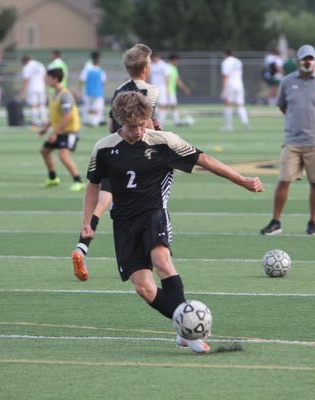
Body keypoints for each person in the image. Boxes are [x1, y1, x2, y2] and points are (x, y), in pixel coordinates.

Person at [79, 91, 264, 353]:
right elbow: (92, 186)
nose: (139, 130)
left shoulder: (165, 142)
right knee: (144, 288)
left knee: (162, 261)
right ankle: (185, 327)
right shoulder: (104, 148)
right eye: (132, 126)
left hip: (154, 214)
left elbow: (206, 161)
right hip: (123, 223)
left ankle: (191, 335)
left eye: (143, 123)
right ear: (119, 121)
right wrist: (87, 222)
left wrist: (242, 181)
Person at [71, 43, 159, 281]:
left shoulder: (120, 89)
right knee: (144, 207)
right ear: (145, 67)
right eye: (150, 62)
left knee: (104, 197)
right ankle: (150, 256)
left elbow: (116, 122)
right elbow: (145, 124)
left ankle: (82, 246)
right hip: (136, 152)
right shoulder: (150, 91)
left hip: (113, 147)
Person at [261, 44, 315, 236]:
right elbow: (283, 107)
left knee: (314, 183)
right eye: (304, 59)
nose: (308, 62)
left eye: (311, 58)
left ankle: (313, 223)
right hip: (292, 140)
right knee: (283, 180)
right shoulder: (287, 81)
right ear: (298, 61)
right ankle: (276, 222)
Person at [39, 68, 84, 192]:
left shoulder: (65, 95)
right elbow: (54, 116)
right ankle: (53, 178)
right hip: (60, 131)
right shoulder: (54, 94)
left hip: (70, 132)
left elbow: (67, 117)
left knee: (63, 156)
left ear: (55, 79)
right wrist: (45, 128)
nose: (46, 80)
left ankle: (78, 181)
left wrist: (54, 133)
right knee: (44, 151)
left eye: (48, 77)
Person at [220, 49, 250, 132]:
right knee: (240, 104)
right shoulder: (238, 61)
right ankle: (245, 122)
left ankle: (228, 126)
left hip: (230, 85)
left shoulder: (226, 62)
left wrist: (223, 90)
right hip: (239, 84)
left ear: (225, 54)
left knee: (227, 104)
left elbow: (225, 77)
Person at [77, 51, 107, 127]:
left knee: (91, 109)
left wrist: (79, 90)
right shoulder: (99, 71)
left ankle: (92, 121)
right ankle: (92, 121)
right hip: (95, 93)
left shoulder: (88, 70)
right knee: (94, 109)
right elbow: (103, 83)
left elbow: (81, 80)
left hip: (91, 92)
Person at [19, 55, 48, 127]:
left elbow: (26, 80)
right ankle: (44, 121)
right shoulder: (40, 65)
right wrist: (46, 88)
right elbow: (45, 77)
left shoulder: (27, 67)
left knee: (34, 105)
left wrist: (23, 92)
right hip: (41, 87)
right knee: (42, 104)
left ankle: (34, 122)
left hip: (32, 88)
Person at [167, 54, 191, 126]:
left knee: (173, 106)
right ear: (173, 60)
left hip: (171, 91)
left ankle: (176, 121)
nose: (178, 62)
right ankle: (159, 122)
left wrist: (185, 88)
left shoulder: (174, 69)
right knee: (163, 106)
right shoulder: (167, 68)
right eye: (177, 61)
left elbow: (177, 80)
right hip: (166, 91)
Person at [150, 52, 170, 127]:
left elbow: (166, 77)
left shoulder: (164, 65)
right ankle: (157, 121)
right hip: (153, 88)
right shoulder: (151, 65)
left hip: (162, 88)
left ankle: (161, 123)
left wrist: (167, 88)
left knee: (162, 104)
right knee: (152, 106)